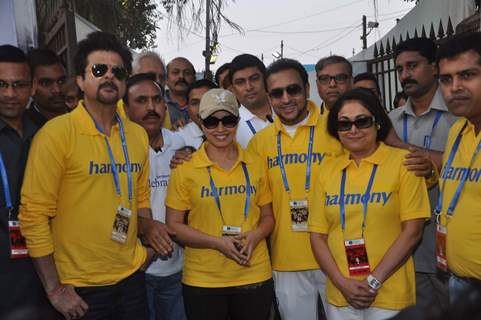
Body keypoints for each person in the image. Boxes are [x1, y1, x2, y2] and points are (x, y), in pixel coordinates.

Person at [19, 31, 171, 320]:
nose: (109, 77)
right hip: (80, 289)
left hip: (132, 279)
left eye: (118, 71)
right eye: (99, 70)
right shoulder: (55, 135)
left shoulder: (136, 135)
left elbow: (139, 196)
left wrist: (147, 240)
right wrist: (54, 289)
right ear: (80, 80)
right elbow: (34, 215)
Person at [309, 88, 430, 320]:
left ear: (377, 123)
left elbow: (412, 232)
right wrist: (342, 283)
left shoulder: (405, 164)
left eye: (362, 121)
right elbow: (317, 236)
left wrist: (373, 281)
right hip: (342, 294)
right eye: (344, 124)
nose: (353, 130)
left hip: (389, 293)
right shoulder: (325, 170)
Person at [165, 88, 275, 320]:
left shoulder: (255, 163)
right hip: (204, 279)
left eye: (228, 120)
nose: (221, 129)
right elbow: (174, 226)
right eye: (212, 122)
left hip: (253, 273)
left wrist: (256, 236)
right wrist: (216, 243)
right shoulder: (185, 168)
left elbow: (268, 217)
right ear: (202, 124)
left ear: (237, 121)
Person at [247, 58, 343, 320]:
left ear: (307, 89)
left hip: (337, 255)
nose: (286, 98)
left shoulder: (338, 128)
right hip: (286, 260)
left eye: (293, 90)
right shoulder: (259, 143)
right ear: (269, 97)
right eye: (277, 93)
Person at [389, 37, 457, 311]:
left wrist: (412, 152)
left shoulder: (459, 115)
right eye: (400, 69)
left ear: (434, 66)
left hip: (453, 250)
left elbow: (467, 166)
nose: (405, 75)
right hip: (406, 251)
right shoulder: (389, 121)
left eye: (413, 65)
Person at [123, 73, 186, 320]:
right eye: (141, 100)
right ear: (126, 108)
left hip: (176, 270)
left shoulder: (178, 142)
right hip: (136, 272)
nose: (151, 107)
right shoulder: (119, 149)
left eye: (157, 99)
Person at [0, 44, 55, 320]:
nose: (10, 94)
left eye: (18, 85)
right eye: (2, 85)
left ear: (32, 87)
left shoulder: (49, 134)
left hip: (46, 273)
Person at [435, 31, 481, 303]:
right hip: (458, 283)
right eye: (446, 79)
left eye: (467, 75)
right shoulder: (457, 131)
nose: (455, 87)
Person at [229, 54, 274, 148]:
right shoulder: (230, 126)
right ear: (232, 89)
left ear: (266, 80)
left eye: (254, 79)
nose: (249, 87)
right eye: (240, 82)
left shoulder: (287, 111)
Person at [26, 48, 68, 127]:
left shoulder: (84, 117)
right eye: (46, 83)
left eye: (61, 81)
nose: (57, 90)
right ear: (31, 87)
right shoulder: (21, 129)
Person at [132, 51, 172, 129]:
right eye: (150, 76)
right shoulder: (115, 110)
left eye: (162, 77)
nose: (158, 82)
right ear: (131, 76)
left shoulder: (163, 109)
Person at [178, 79, 218, 150]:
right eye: (195, 103)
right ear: (187, 107)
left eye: (207, 101)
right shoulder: (178, 137)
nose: (201, 108)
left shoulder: (233, 131)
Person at [165, 57, 196, 127]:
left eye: (187, 73)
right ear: (166, 79)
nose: (181, 76)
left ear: (194, 79)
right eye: (175, 72)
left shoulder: (203, 103)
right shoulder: (157, 103)